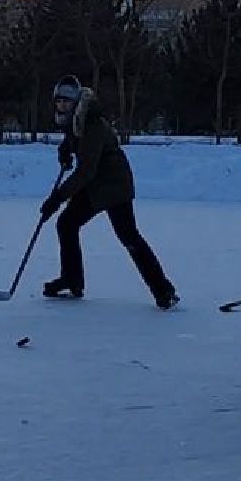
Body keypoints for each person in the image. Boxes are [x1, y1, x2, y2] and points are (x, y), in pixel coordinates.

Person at [39, 75, 178, 309]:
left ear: (75, 102)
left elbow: (85, 171)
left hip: (113, 186)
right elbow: (73, 141)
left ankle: (163, 290)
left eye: (65, 101)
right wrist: (65, 150)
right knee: (67, 224)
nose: (60, 105)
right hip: (95, 185)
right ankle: (72, 280)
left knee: (128, 236)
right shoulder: (75, 121)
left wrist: (57, 197)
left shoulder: (92, 123)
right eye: (58, 101)